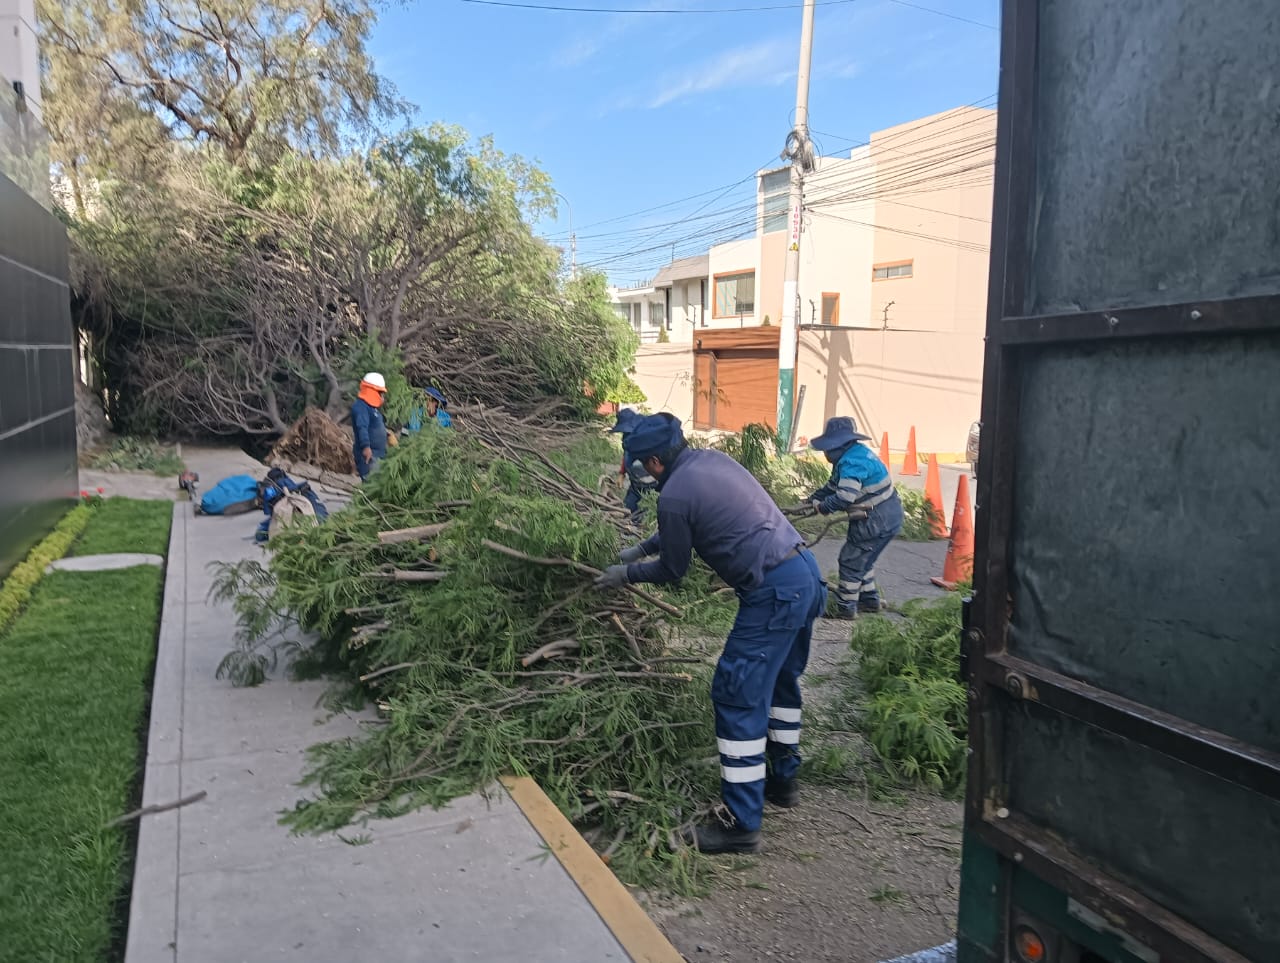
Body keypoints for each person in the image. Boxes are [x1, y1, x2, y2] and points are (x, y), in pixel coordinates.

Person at [594, 413, 827, 854]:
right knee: (779, 684)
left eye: (641, 463)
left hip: (773, 594)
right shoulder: (709, 463)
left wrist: (625, 573)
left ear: (655, 463)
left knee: (735, 695)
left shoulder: (674, 495)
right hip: (804, 575)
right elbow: (687, 524)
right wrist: (643, 546)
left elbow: (673, 568)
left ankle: (740, 823)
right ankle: (783, 782)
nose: (640, 472)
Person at [803, 416, 903, 617]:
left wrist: (823, 507)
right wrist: (813, 499)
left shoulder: (852, 463)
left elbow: (844, 497)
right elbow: (833, 486)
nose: (826, 453)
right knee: (863, 560)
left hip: (875, 519)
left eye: (827, 449)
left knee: (850, 561)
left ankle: (846, 609)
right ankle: (869, 601)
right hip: (885, 515)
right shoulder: (856, 455)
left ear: (839, 445)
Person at [609, 409, 657, 520]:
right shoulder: (626, 440)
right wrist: (621, 474)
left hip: (653, 486)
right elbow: (626, 457)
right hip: (635, 486)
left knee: (646, 515)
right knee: (627, 509)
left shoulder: (648, 440)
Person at [351, 372, 388, 480]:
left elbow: (375, 426)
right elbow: (362, 427)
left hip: (378, 454)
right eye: (380, 393)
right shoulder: (361, 407)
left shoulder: (371, 408)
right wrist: (366, 447)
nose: (382, 396)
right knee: (371, 483)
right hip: (370, 454)